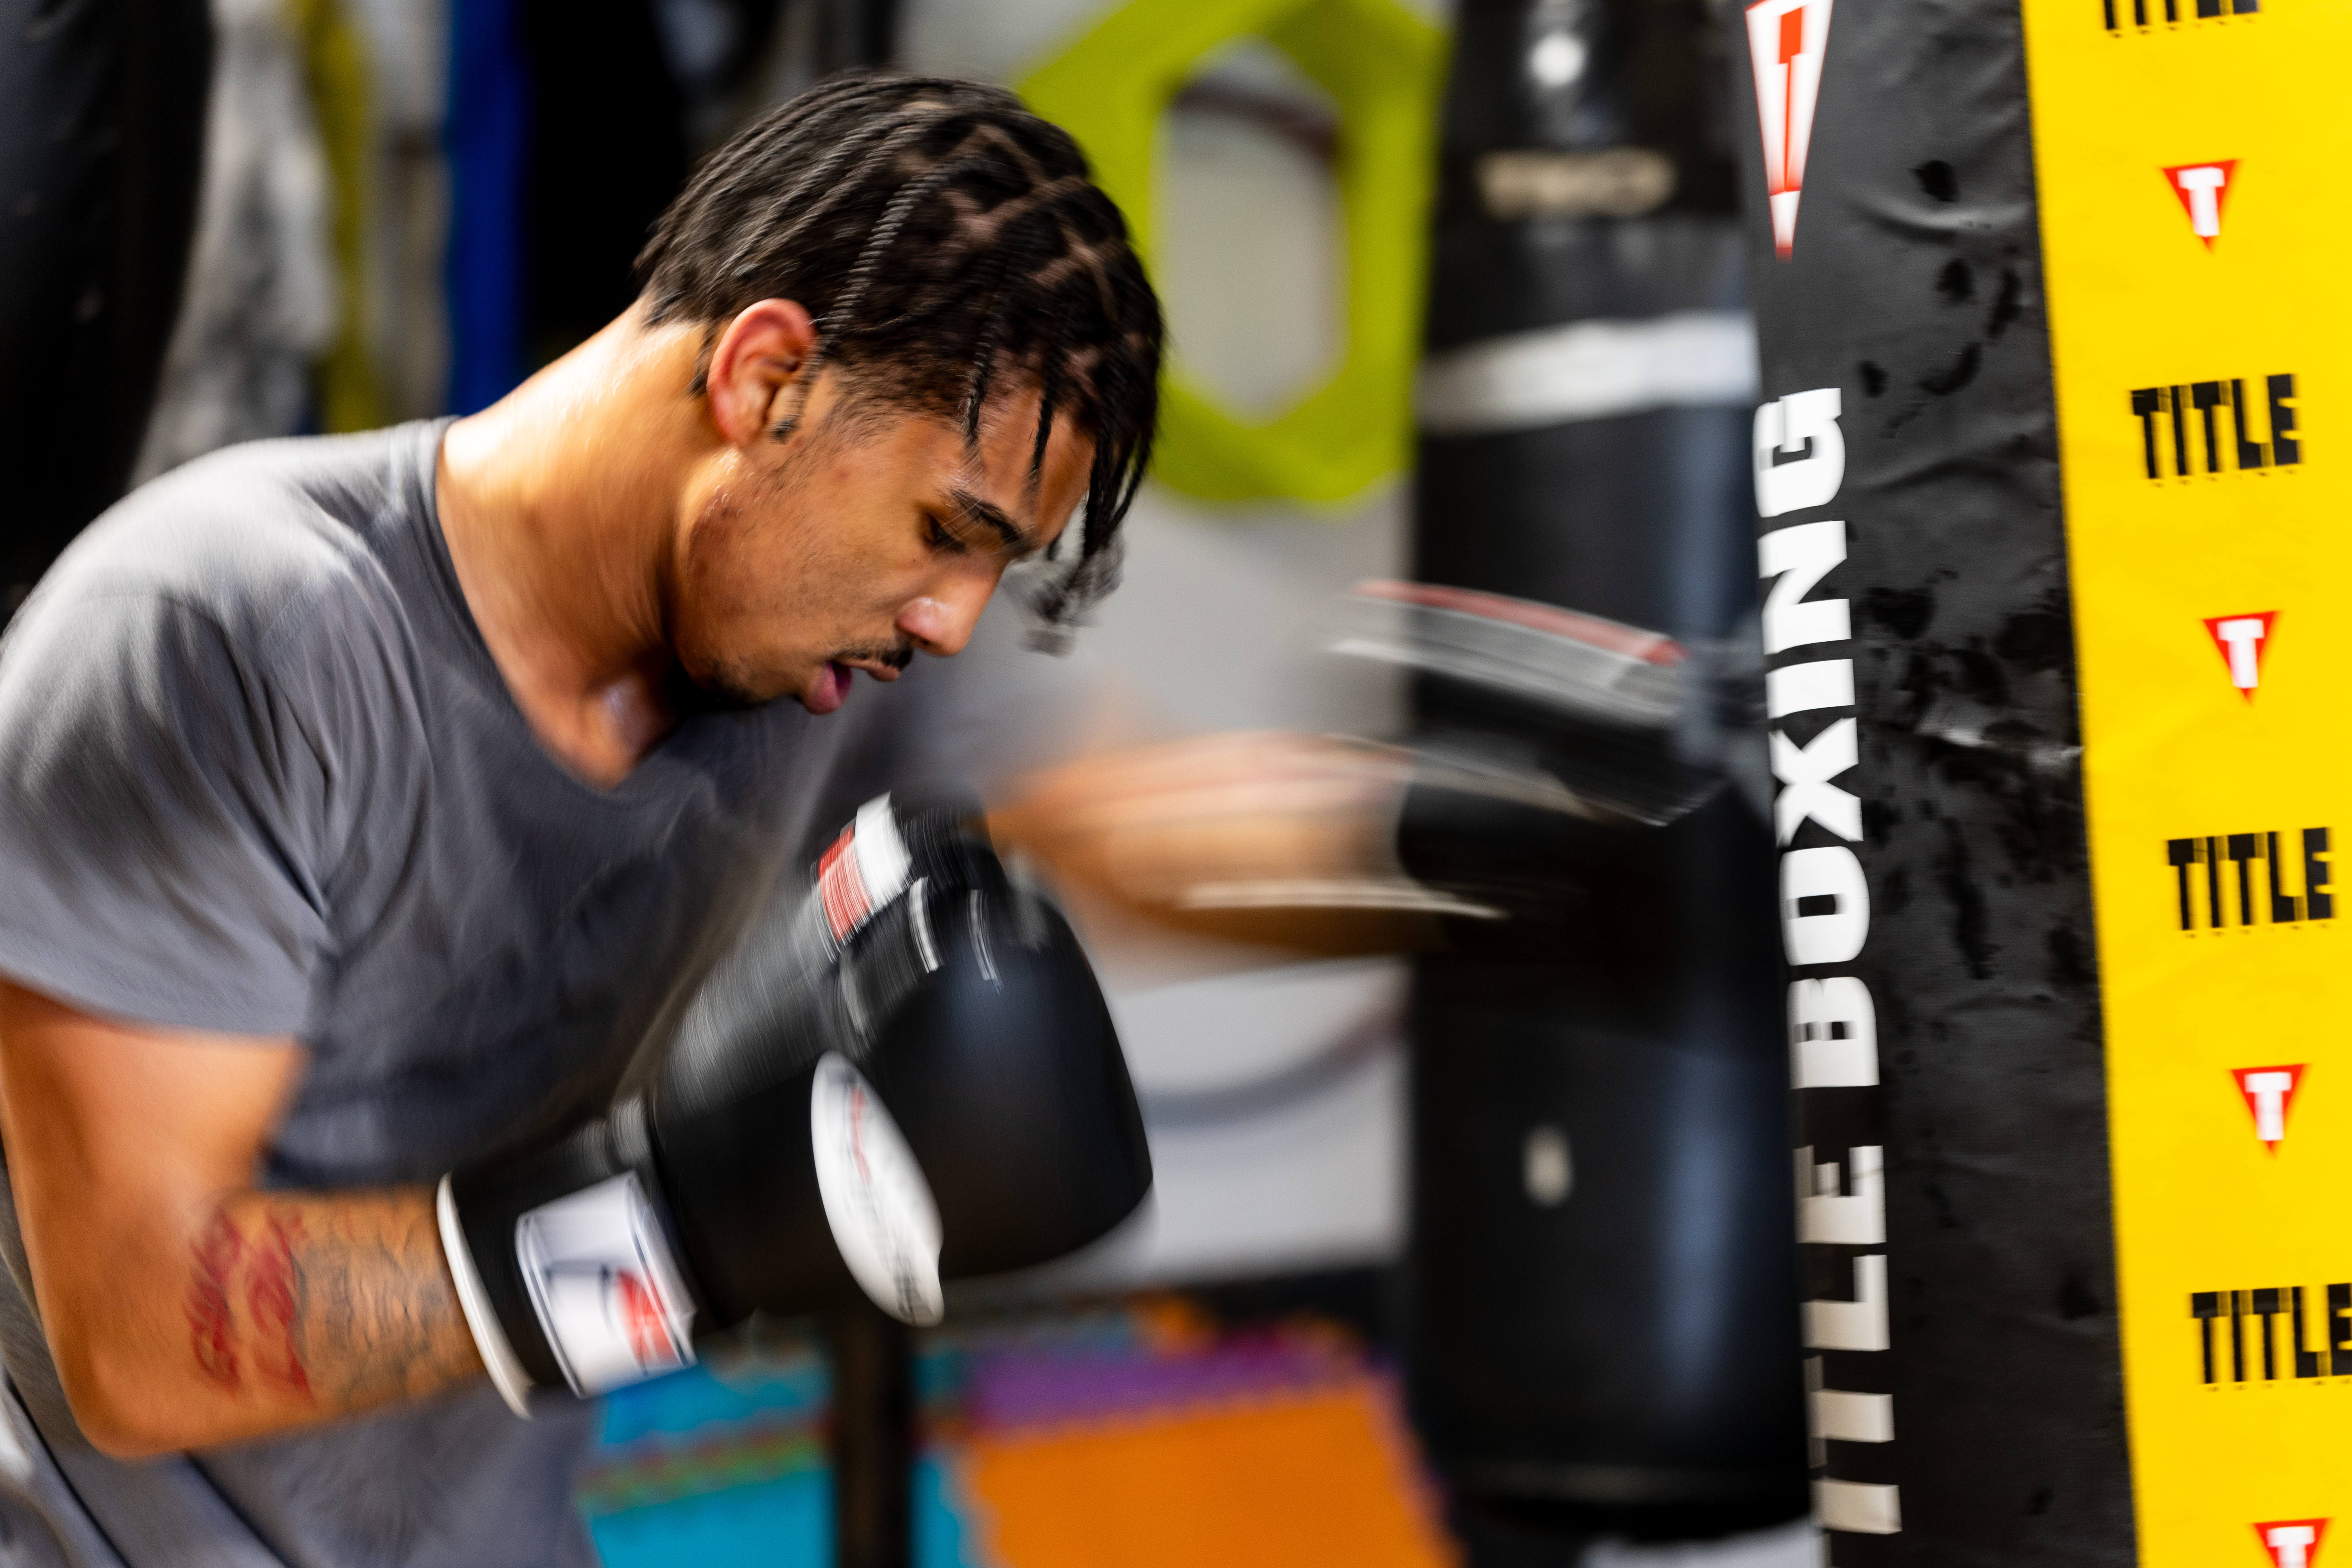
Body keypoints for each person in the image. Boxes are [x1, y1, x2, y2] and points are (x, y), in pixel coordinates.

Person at [0, 74, 1166, 1567]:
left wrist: (1447, 860)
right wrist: (675, 1233)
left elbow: (1134, 822)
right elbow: (143, 1339)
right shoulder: (225, 634)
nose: (952, 620)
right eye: (949, 531)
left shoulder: (822, 661)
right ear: (764, 380)